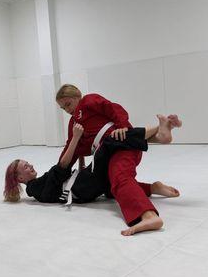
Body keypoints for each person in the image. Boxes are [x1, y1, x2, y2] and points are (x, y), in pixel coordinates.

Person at [56, 84, 182, 236]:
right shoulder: (74, 125)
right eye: (63, 109)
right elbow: (73, 148)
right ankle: (153, 187)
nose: (68, 110)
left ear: (78, 97)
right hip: (111, 153)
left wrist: (122, 125)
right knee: (109, 187)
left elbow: (114, 108)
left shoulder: (88, 101)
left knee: (119, 176)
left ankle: (149, 216)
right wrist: (60, 169)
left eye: (68, 104)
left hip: (122, 144)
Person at [4, 117, 180, 207]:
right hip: (83, 187)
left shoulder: (37, 185)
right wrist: (76, 138)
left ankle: (153, 187)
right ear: (19, 178)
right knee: (111, 141)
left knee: (113, 189)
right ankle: (159, 132)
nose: (31, 166)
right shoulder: (32, 188)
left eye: (28, 163)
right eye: (25, 167)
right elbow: (61, 171)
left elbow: (63, 180)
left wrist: (80, 160)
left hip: (84, 186)